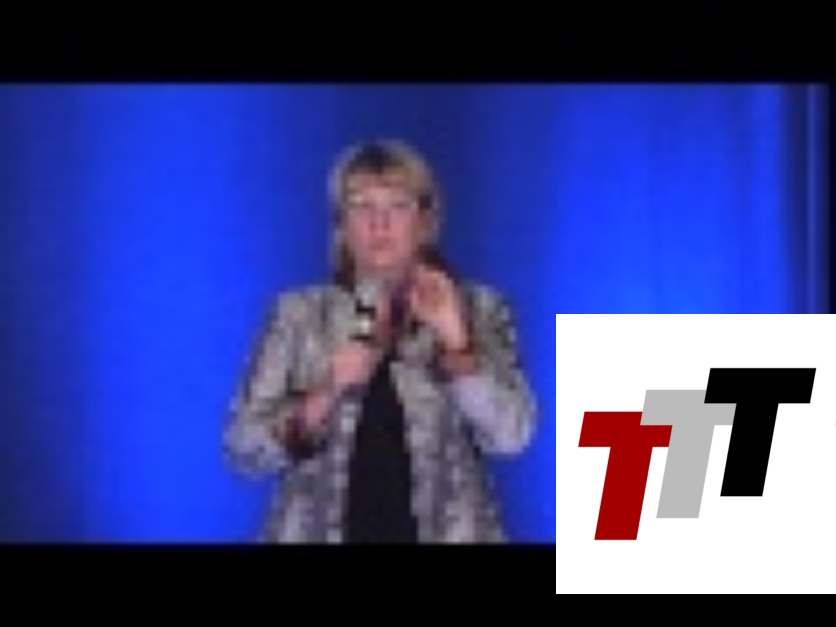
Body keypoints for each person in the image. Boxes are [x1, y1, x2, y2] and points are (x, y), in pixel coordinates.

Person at [223, 138, 537, 543]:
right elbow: (243, 450)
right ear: (341, 224)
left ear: (424, 221)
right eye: (362, 207)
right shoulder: (298, 315)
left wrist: (457, 345)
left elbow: (512, 436)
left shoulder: (479, 308)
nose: (379, 224)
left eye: (398, 206)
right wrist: (325, 392)